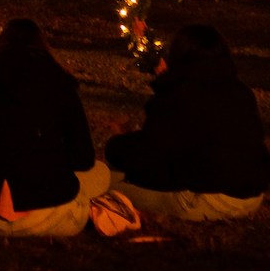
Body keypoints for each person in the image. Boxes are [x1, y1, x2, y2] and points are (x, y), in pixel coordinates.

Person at [0, 19, 110, 236]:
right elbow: (84, 159)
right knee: (102, 173)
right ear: (43, 47)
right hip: (51, 215)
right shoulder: (60, 83)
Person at [106, 25, 270, 222]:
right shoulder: (240, 91)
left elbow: (152, 153)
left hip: (207, 196)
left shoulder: (181, 94)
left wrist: (117, 144)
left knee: (104, 181)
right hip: (251, 194)